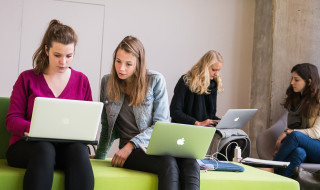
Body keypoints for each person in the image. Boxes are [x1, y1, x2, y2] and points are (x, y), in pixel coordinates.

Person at [95, 36, 200, 190]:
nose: (121, 68)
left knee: (191, 162)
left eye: (128, 64)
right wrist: (99, 158)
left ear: (139, 63)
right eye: (118, 61)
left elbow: (161, 124)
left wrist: (132, 144)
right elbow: (107, 127)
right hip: (132, 153)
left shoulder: (155, 80)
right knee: (168, 163)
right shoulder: (107, 82)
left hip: (154, 146)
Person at [6, 19, 94, 190]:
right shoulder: (27, 78)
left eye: (69, 56)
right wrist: (38, 128)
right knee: (45, 149)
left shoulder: (82, 81)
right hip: (27, 148)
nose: (63, 62)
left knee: (79, 151)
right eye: (57, 55)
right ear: (47, 50)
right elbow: (12, 120)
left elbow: (87, 121)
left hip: (64, 150)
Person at [273, 63, 320, 177]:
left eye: (296, 80)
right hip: (303, 147)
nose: (292, 82)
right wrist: (286, 138)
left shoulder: (318, 100)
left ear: (309, 82)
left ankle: (271, 168)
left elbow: (316, 132)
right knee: (299, 152)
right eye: (292, 78)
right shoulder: (296, 98)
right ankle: (280, 183)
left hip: (317, 148)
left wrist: (288, 132)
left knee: (295, 136)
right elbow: (290, 125)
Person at [170, 50, 223, 127]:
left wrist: (221, 122)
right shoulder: (186, 80)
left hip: (204, 130)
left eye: (218, 70)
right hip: (186, 128)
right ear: (204, 67)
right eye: (214, 70)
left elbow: (210, 116)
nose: (216, 74)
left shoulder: (213, 84)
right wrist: (197, 123)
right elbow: (174, 111)